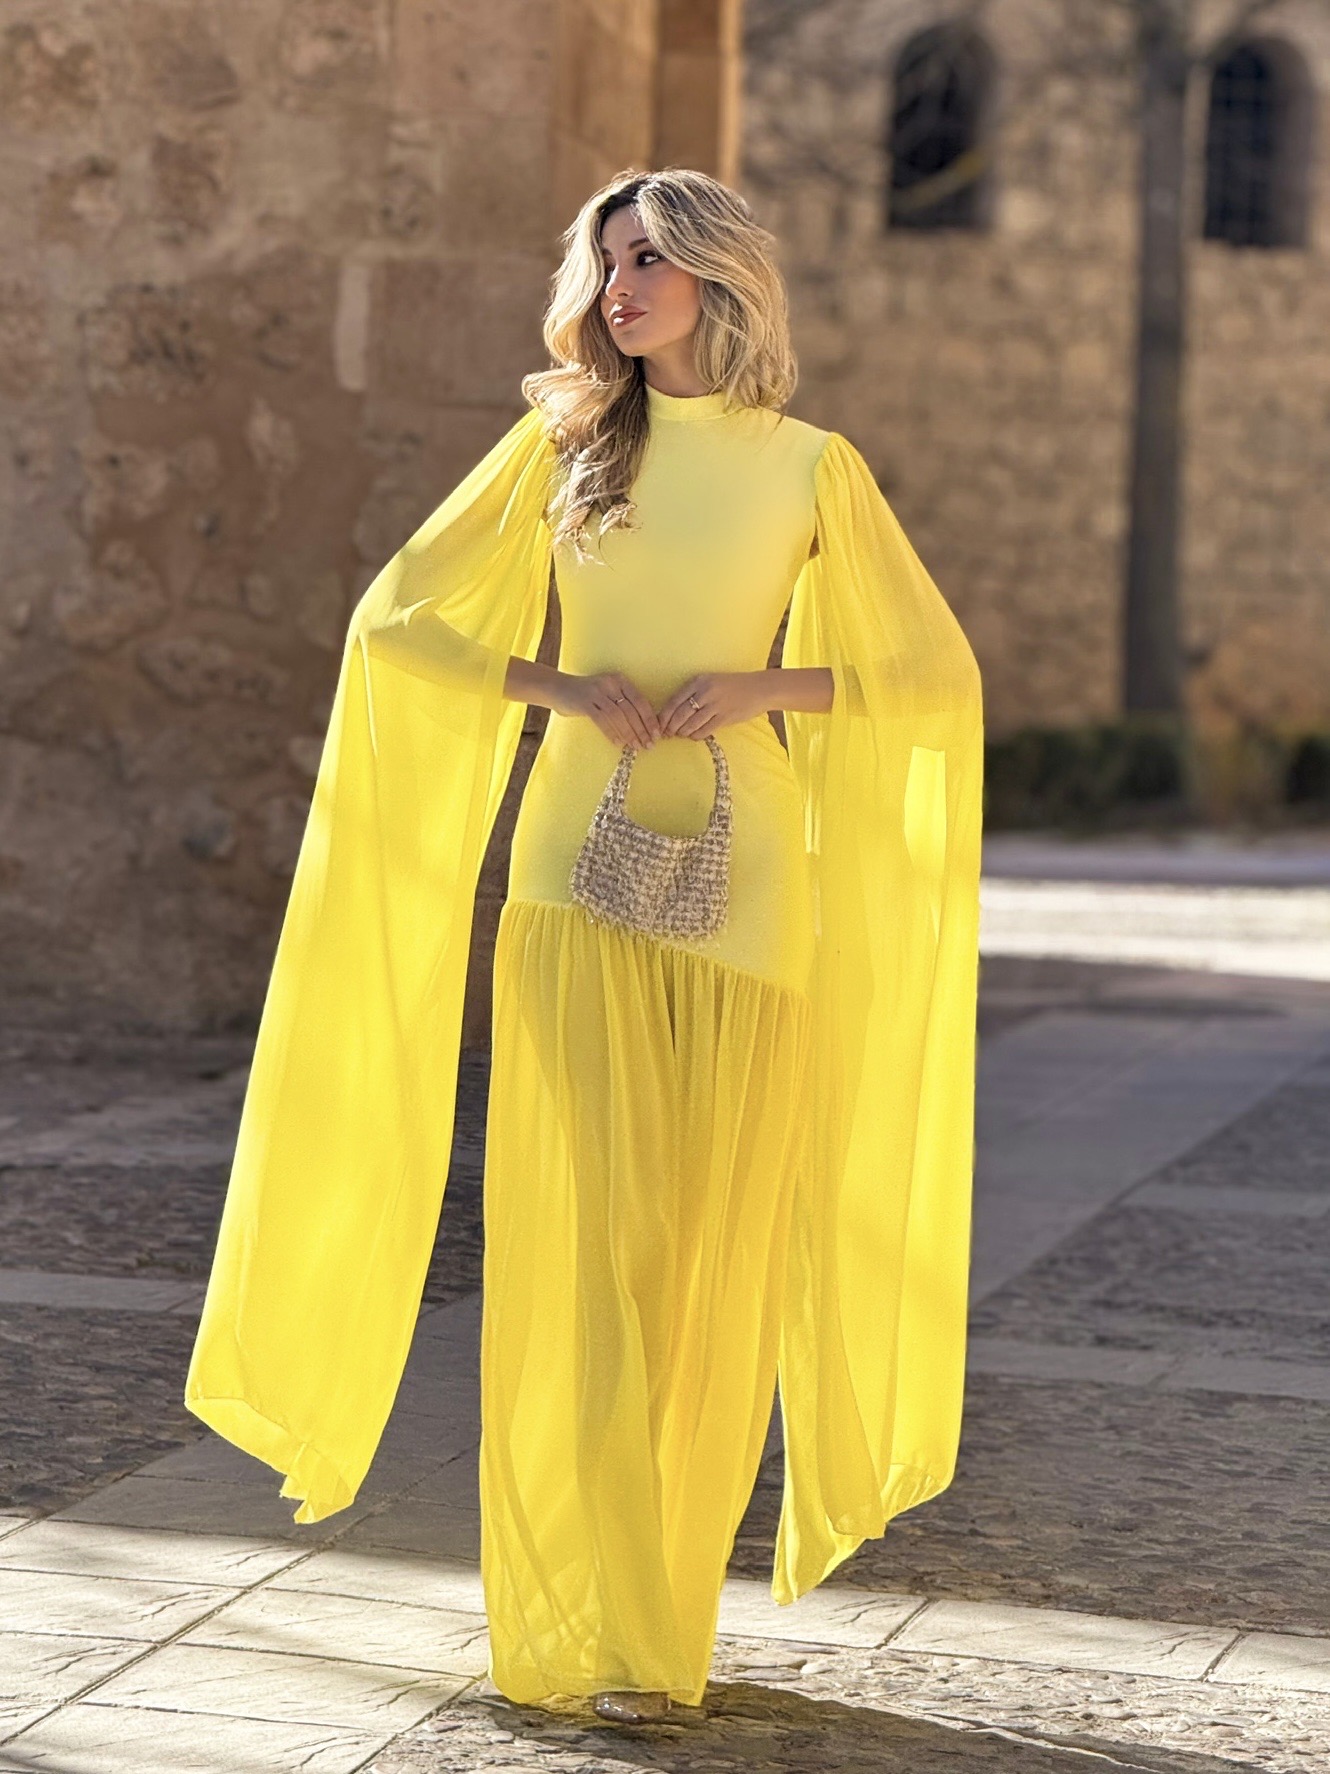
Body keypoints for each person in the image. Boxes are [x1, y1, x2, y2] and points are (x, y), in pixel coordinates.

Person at [184, 166, 984, 1724]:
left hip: (750, 892)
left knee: (698, 1266)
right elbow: (396, 625)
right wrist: (562, 689)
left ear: (715, 280)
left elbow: (929, 678)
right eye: (606, 263)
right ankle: (593, 1622)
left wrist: (764, 689)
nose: (619, 289)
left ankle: (654, 1621)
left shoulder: (811, 468)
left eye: (647, 262)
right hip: (568, 867)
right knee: (586, 1251)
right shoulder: (563, 446)